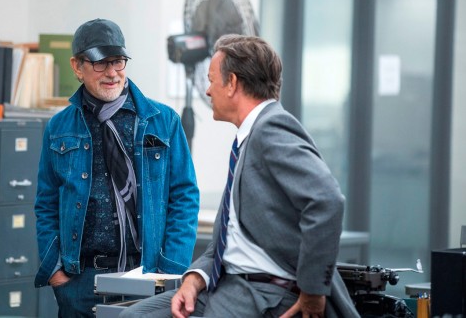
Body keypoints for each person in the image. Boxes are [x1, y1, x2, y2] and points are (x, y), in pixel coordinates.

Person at [119, 35, 359, 318]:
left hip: (260, 293)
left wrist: (313, 291)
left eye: (211, 81)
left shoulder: (271, 128)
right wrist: (196, 278)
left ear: (232, 83)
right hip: (226, 284)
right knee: (131, 316)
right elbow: (228, 237)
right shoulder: (249, 137)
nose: (207, 91)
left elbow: (327, 201)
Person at [34, 18, 200, 317]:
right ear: (77, 66)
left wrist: (171, 268)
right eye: (100, 64)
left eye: (119, 62)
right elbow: (46, 203)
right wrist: (55, 271)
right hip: (81, 279)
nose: (112, 73)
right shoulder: (59, 127)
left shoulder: (163, 121)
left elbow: (184, 197)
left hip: (149, 273)